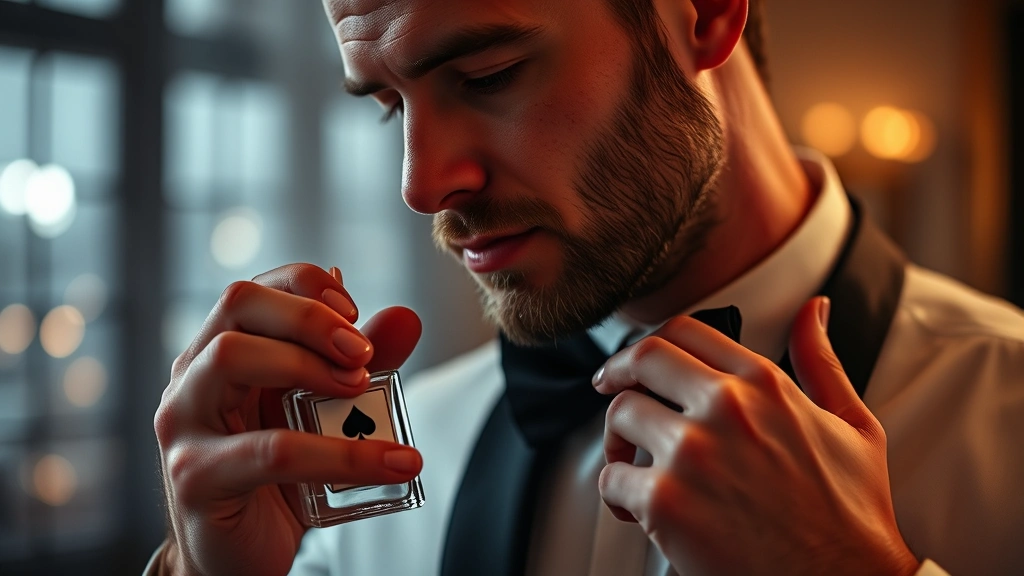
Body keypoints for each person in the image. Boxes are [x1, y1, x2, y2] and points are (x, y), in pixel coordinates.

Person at [147, 0, 1024, 575]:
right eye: (388, 103)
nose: (419, 185)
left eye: (487, 75)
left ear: (705, 14)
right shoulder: (356, 492)